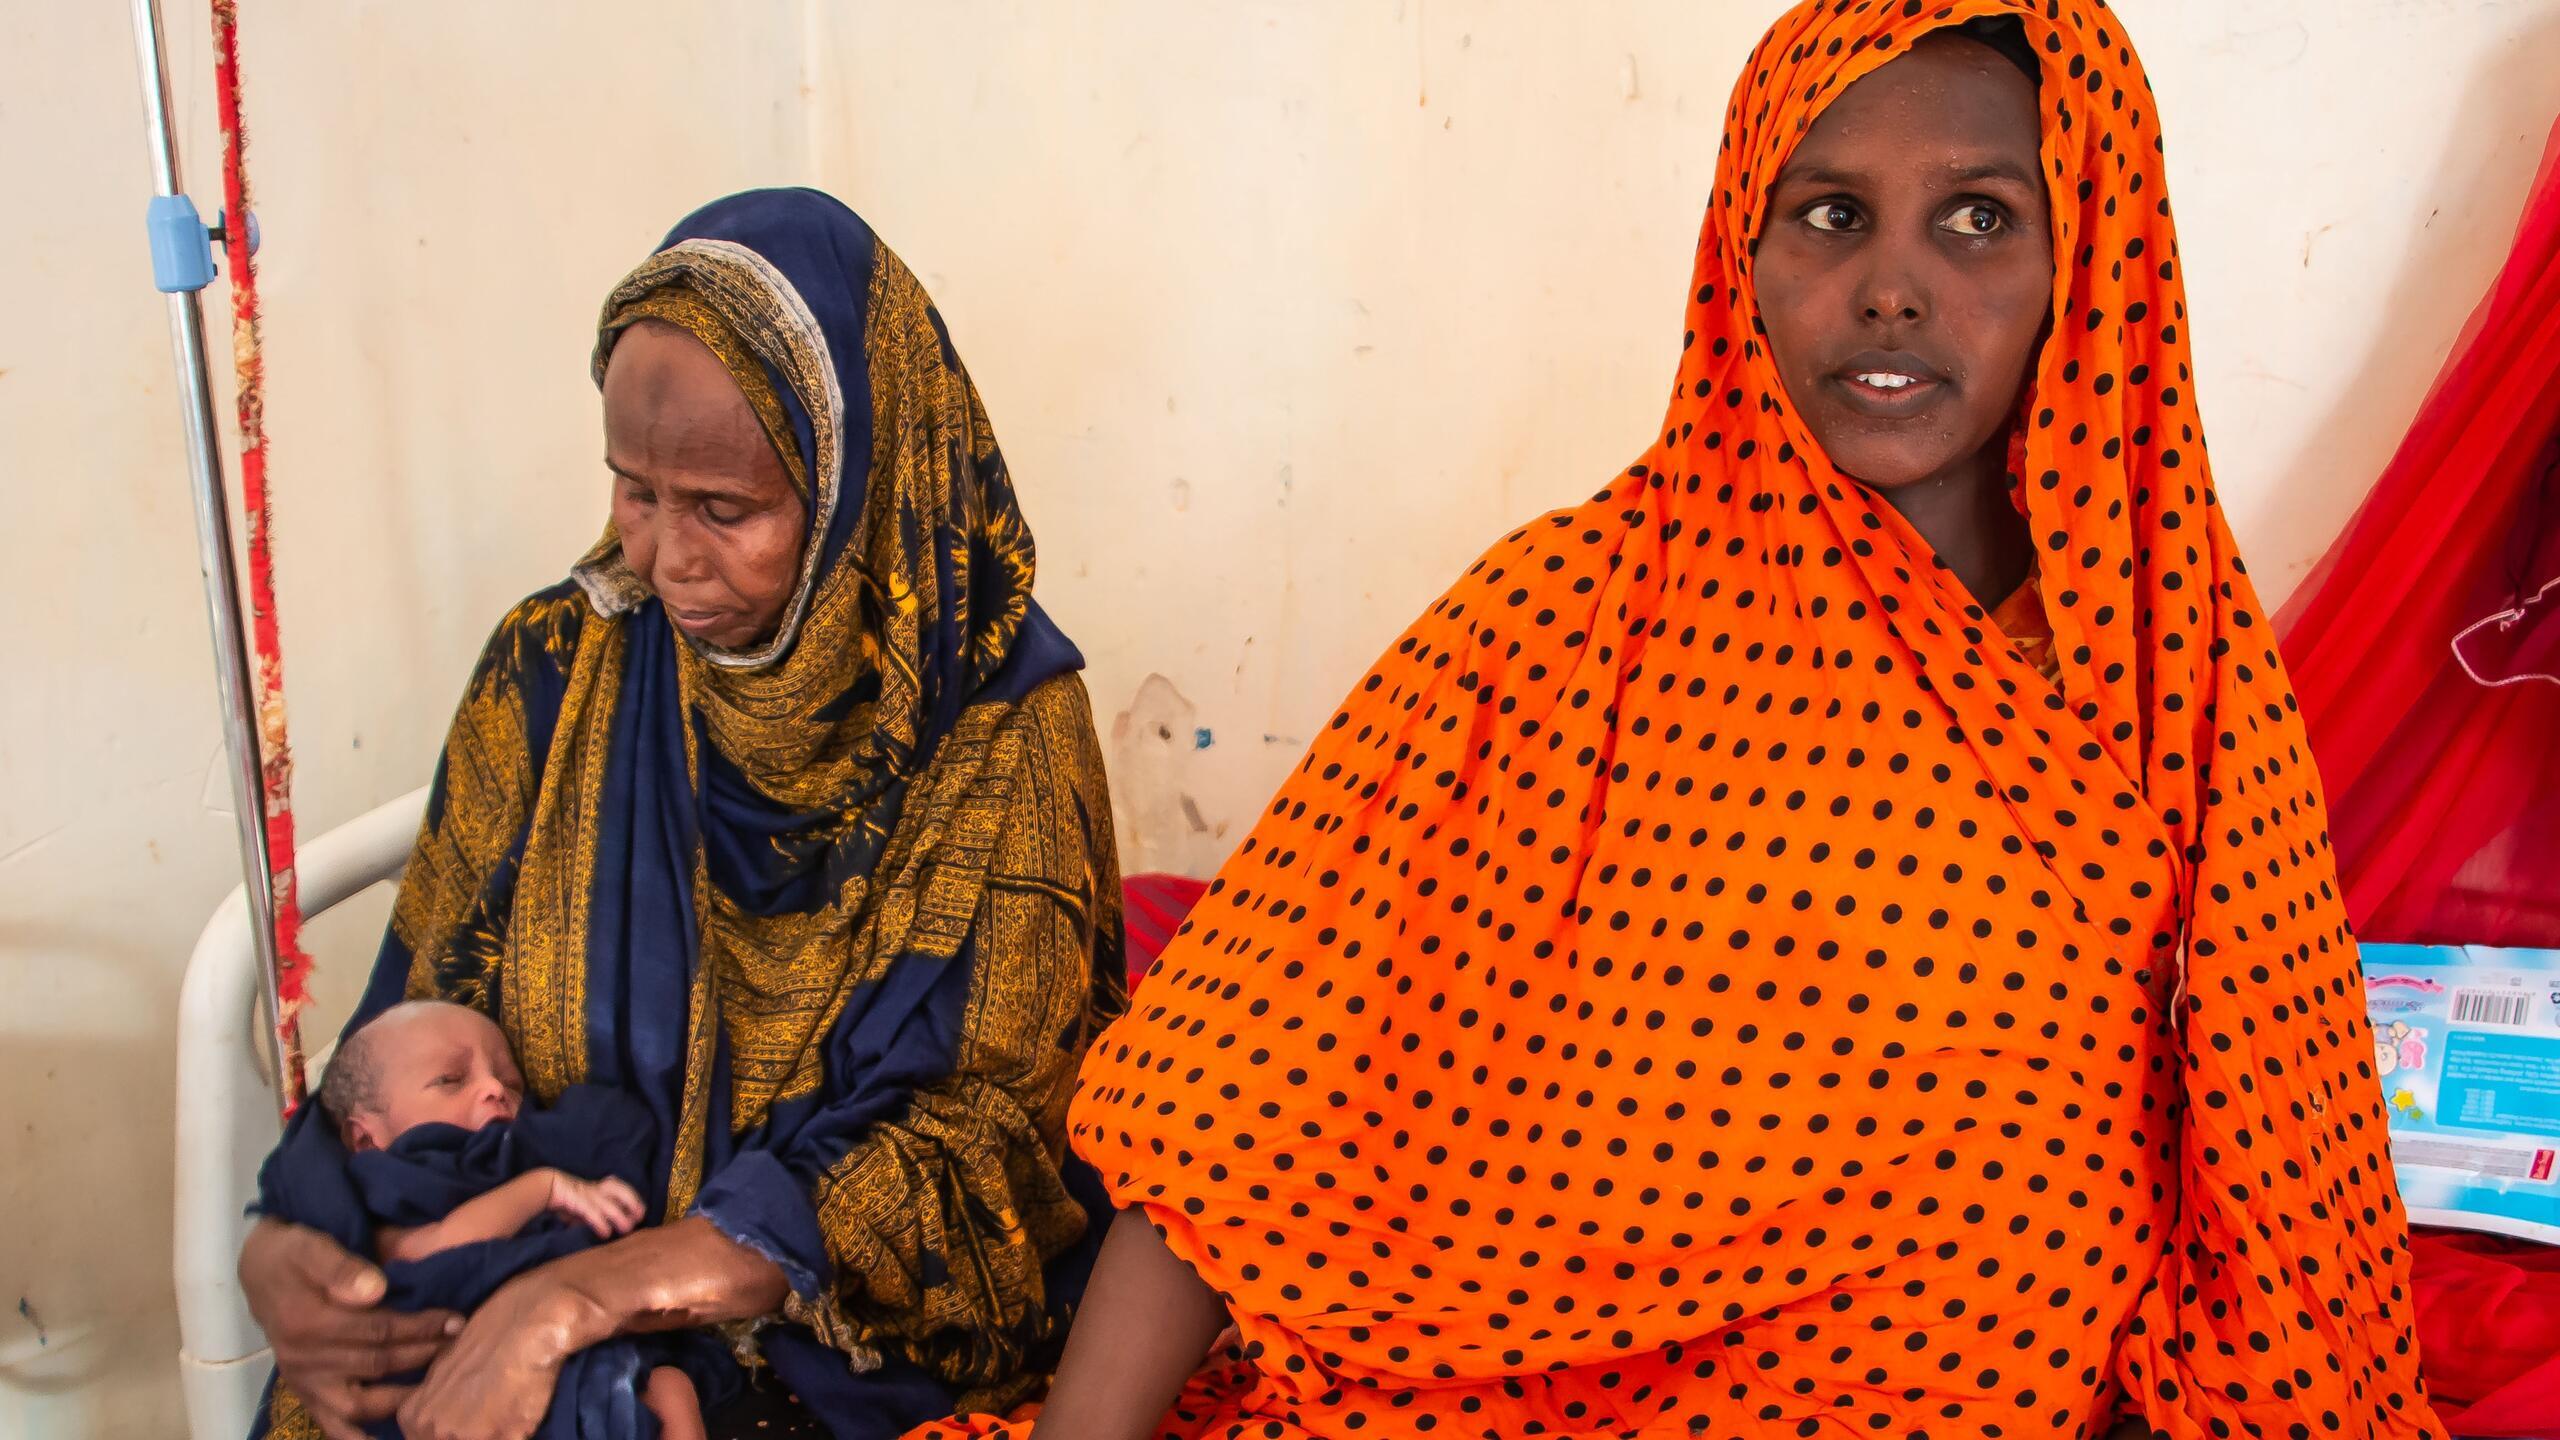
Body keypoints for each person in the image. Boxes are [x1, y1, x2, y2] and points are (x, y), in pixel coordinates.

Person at [928, 4, 2446, 1439]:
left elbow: (2279, 1165)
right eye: (1830, 213)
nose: (1893, 285)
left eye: (1979, 215)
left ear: (2093, 252)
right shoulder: (1553, 626)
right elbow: (1230, 1102)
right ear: (1744, 251)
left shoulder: (2168, 677)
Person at [237, 188, 1128, 1440]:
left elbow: (987, 1154)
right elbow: (414, 1019)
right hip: (506, 1252)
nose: (663, 560)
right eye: (633, 491)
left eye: (724, 508)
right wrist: (295, 1234)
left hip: (816, 1335)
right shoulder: (556, 667)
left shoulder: (999, 730)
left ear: (853, 483)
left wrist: (589, 1297)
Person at [272, 999, 709, 1440]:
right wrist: (544, 1189)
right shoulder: (391, 1178)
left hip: (585, 1353)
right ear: (365, 1136)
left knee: (671, 1388)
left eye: (510, 1080)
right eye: (450, 1080)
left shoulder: (526, 1147)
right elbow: (426, 1252)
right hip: (453, 1378)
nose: (494, 1088)